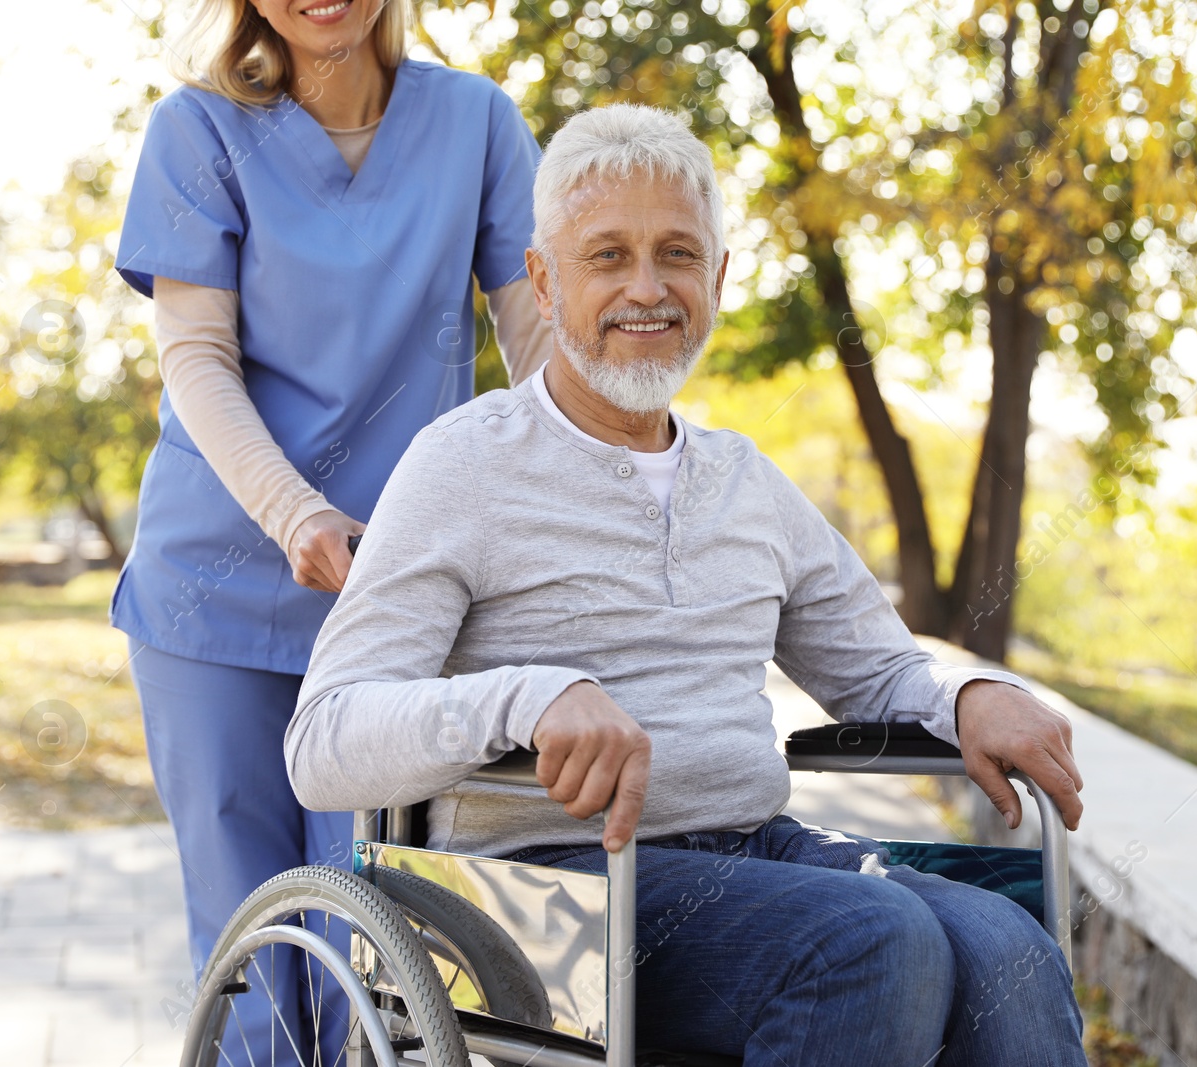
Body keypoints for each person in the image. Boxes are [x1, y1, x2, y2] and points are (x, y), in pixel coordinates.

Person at [287, 103, 1088, 1065]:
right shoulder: (462, 466)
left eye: (676, 254)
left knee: (1007, 942)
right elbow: (323, 741)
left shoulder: (746, 479)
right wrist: (528, 696)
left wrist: (970, 695)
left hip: (758, 857)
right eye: (607, 256)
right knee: (874, 940)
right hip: (537, 899)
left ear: (716, 278)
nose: (646, 288)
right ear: (542, 281)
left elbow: (879, 672)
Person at [110, 0, 550, 1058]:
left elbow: (540, 335)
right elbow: (196, 359)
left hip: (393, 600)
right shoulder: (199, 131)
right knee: (256, 959)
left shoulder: (478, 124)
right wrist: (295, 509)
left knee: (381, 948)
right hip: (210, 592)